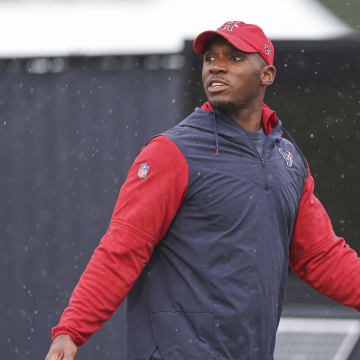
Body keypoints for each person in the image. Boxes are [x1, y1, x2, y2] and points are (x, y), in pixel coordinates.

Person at [45, 21, 360, 360]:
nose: (217, 66)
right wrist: (71, 331)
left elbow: (320, 255)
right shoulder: (170, 152)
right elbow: (123, 248)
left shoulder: (287, 159)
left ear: (267, 75)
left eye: (235, 58)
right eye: (210, 58)